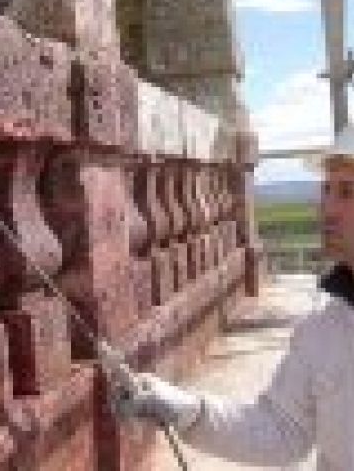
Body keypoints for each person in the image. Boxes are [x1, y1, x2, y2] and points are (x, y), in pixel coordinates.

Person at [112, 126, 354, 470]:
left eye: (348, 193)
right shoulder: (321, 331)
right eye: (327, 190)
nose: (328, 208)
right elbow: (282, 431)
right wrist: (189, 412)